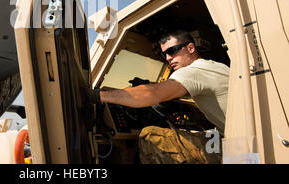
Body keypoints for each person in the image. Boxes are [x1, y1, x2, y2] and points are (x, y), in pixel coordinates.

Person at [88, 29, 230, 163]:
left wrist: (99, 96)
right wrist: (150, 84)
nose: (168, 58)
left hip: (232, 144)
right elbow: (168, 88)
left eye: (172, 51)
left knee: (151, 136)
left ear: (191, 48)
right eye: (164, 54)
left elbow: (154, 93)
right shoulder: (215, 67)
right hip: (226, 135)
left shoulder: (193, 72)